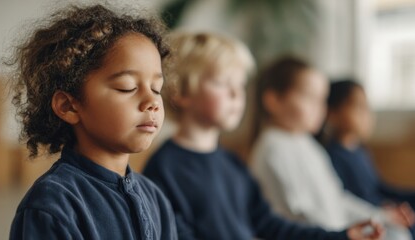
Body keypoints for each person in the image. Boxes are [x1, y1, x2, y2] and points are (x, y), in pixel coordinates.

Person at [143, 32, 383, 240]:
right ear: (180, 92)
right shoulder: (164, 168)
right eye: (223, 83)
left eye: (240, 84)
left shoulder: (233, 164)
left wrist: (340, 236)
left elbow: (270, 225)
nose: (236, 94)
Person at [7, 4, 177, 239]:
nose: (152, 101)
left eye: (156, 88)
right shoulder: (51, 206)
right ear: (68, 106)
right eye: (127, 87)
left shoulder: (156, 199)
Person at [250, 56, 414, 240]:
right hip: (319, 236)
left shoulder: (307, 144)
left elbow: (337, 199)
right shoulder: (273, 148)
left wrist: (381, 216)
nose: (320, 108)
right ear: (273, 100)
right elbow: (299, 215)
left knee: (397, 234)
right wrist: (341, 235)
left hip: (335, 234)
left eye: (322, 100)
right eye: (310, 97)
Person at [324, 79, 415, 224]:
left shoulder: (359, 150)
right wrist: (386, 212)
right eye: (359, 107)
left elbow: (379, 188)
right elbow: (352, 201)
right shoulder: (331, 156)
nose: (367, 114)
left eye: (367, 107)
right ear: (333, 113)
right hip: (370, 218)